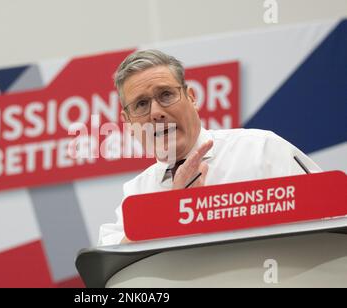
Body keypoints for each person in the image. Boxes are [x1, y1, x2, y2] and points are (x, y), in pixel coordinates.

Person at [98, 49, 322, 246]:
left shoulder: (260, 149)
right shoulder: (136, 193)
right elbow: (111, 260)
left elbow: (330, 218)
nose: (156, 112)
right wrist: (171, 210)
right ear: (128, 122)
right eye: (141, 104)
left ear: (191, 97)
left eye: (166, 95)